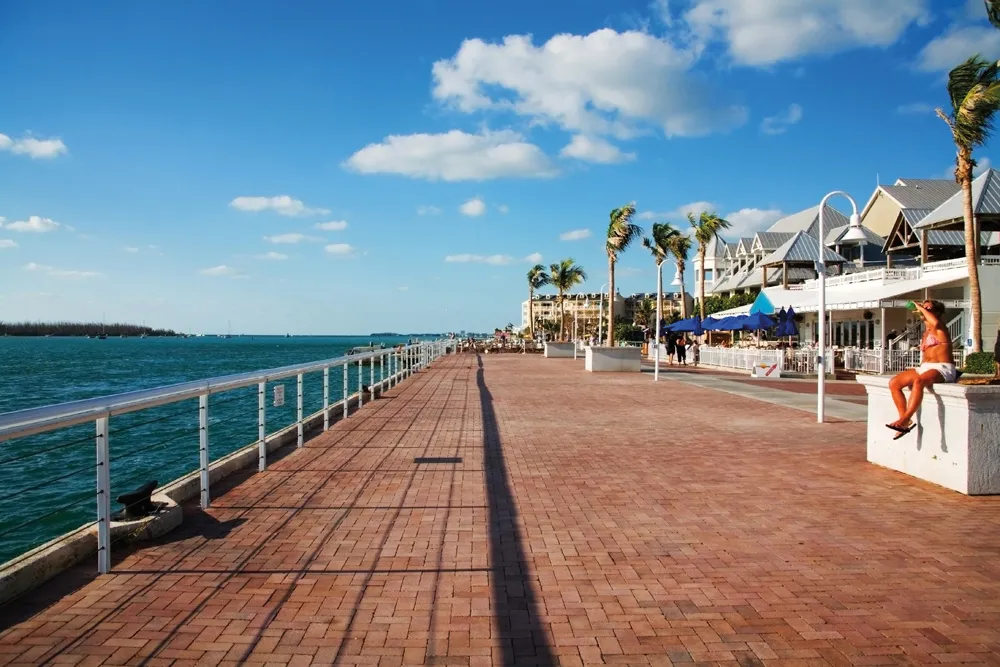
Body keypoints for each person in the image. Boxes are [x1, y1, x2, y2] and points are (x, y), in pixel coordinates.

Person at [887, 300, 957, 439]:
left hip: (942, 368)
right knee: (894, 383)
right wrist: (923, 309)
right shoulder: (926, 332)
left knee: (919, 382)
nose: (924, 310)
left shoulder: (940, 327)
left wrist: (920, 307)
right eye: (924, 308)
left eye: (928, 308)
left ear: (937, 312)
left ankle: (905, 419)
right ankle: (904, 420)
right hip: (925, 367)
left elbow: (935, 322)